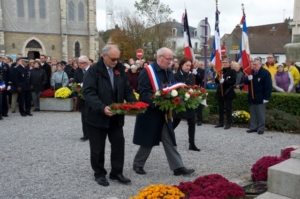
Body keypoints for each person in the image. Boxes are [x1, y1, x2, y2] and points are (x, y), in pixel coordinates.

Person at [132, 47, 195, 176]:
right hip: (151, 112)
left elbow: (171, 87)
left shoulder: (168, 71)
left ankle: (178, 167)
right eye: (169, 59)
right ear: (160, 57)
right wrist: (157, 103)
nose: (171, 62)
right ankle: (138, 164)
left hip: (165, 113)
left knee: (169, 139)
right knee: (148, 141)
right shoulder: (147, 71)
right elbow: (143, 92)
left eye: (171, 59)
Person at [83, 45, 136, 187]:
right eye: (113, 59)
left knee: (119, 145)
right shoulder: (94, 70)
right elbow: (88, 92)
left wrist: (134, 104)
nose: (115, 61)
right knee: (97, 147)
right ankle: (99, 173)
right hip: (97, 116)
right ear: (104, 56)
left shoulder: (119, 69)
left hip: (116, 115)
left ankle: (116, 172)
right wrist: (101, 107)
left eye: (117, 58)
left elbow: (127, 89)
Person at [172, 57, 200, 151]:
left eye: (189, 65)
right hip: (179, 102)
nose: (188, 67)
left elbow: (193, 86)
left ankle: (192, 144)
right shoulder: (175, 75)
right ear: (181, 65)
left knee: (192, 122)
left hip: (189, 102)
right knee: (175, 122)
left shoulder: (191, 75)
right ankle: (166, 137)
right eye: (186, 65)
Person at [244, 58, 272, 135]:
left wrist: (266, 97)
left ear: (260, 64)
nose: (253, 66)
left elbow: (268, 86)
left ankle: (261, 128)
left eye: (255, 64)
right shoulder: (251, 72)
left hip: (261, 97)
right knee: (253, 113)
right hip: (252, 96)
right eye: (253, 64)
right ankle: (253, 127)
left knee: (260, 114)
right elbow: (244, 82)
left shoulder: (265, 73)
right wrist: (248, 79)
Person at [215, 58, 237, 130]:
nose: (224, 63)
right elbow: (216, 81)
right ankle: (220, 122)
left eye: (226, 62)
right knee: (220, 108)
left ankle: (228, 123)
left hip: (228, 92)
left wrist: (224, 81)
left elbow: (233, 82)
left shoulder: (232, 71)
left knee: (228, 108)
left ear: (229, 63)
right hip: (220, 91)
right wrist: (218, 77)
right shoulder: (220, 71)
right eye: (223, 62)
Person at [75, 55, 90, 141]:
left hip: (91, 98)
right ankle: (86, 134)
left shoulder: (93, 71)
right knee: (84, 117)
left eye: (80, 63)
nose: (78, 65)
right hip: (82, 97)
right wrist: (78, 89)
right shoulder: (77, 72)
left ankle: (94, 133)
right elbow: (76, 84)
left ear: (85, 63)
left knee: (92, 116)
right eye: (78, 63)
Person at [193, 61, 205, 126]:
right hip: (191, 89)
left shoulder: (201, 70)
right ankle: (192, 119)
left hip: (198, 88)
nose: (195, 64)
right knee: (192, 104)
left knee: (198, 105)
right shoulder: (189, 70)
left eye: (197, 63)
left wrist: (196, 73)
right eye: (194, 63)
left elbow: (201, 79)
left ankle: (199, 119)